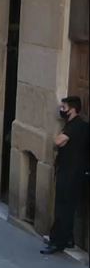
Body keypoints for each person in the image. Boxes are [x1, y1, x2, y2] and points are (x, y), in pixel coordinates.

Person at [41, 96, 90, 254]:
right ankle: (68, 238)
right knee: (68, 206)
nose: (62, 110)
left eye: (64, 107)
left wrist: (59, 138)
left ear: (72, 109)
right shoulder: (79, 125)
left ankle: (57, 242)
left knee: (63, 207)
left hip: (70, 173)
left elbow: (58, 141)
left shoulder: (75, 126)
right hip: (73, 172)